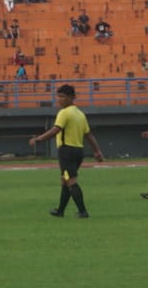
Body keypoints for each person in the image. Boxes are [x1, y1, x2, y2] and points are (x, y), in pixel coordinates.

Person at [28, 84, 104, 218]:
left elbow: (55, 130)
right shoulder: (80, 114)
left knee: (71, 180)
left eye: (62, 96)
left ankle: (83, 211)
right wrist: (97, 151)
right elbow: (89, 135)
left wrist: (38, 139)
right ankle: (60, 211)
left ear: (71, 98)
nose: (60, 99)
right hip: (78, 152)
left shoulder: (64, 113)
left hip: (66, 152)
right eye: (58, 96)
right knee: (65, 180)